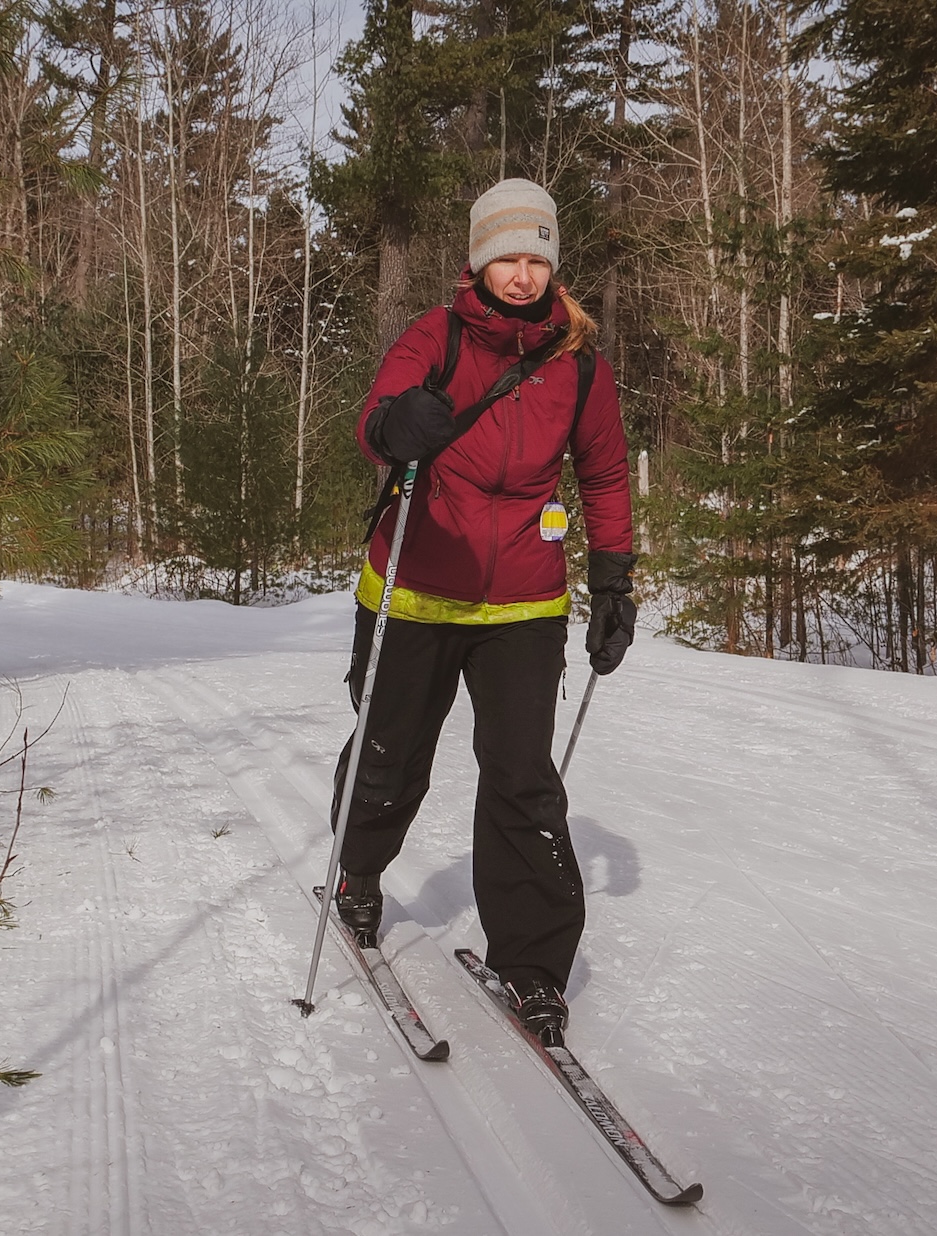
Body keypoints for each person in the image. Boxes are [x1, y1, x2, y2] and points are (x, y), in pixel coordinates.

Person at [332, 178, 637, 1048]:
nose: (522, 273)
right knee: (390, 752)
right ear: (478, 259)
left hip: (523, 601)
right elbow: (373, 423)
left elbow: (605, 475)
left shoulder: (578, 364)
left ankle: (533, 964)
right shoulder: (434, 337)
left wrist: (612, 579)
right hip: (418, 584)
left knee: (522, 777)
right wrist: (398, 425)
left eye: (537, 257)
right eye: (507, 255)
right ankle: (358, 874)